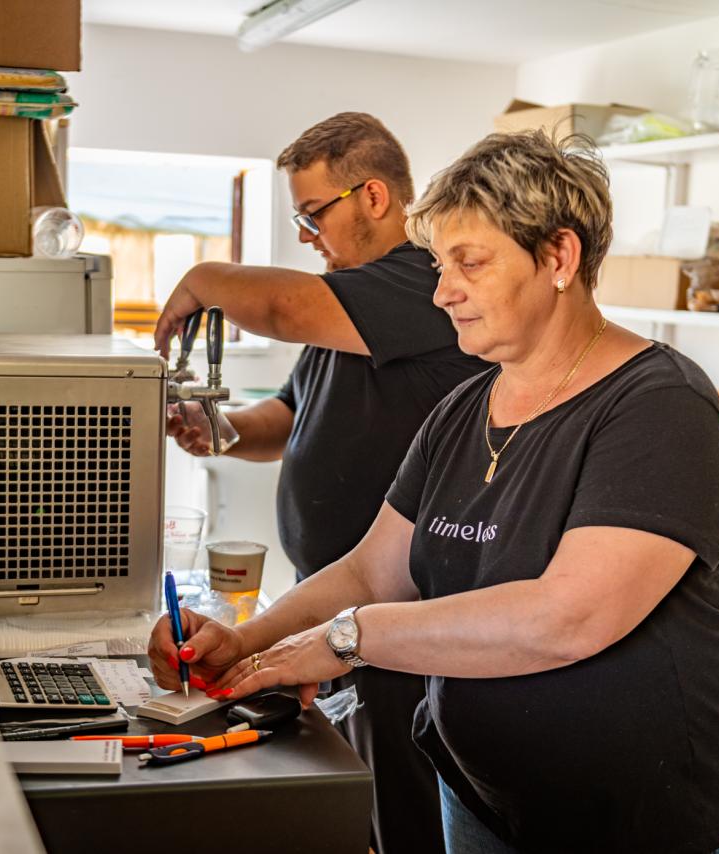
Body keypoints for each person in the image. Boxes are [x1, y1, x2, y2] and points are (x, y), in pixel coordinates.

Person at [149, 129, 719, 854]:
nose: (442, 292)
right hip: (479, 788)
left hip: (633, 811)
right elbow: (371, 572)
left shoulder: (659, 406)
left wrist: (349, 639)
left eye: (469, 263)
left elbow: (567, 618)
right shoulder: (463, 409)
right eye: (441, 266)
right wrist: (246, 642)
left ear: (559, 258)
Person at [153, 113, 487, 854]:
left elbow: (280, 304)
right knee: (356, 803)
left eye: (313, 216)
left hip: (398, 608)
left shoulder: (421, 282)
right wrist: (220, 430)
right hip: (329, 601)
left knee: (405, 815)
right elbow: (289, 415)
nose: (308, 238)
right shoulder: (348, 309)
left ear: (373, 196)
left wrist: (203, 280)